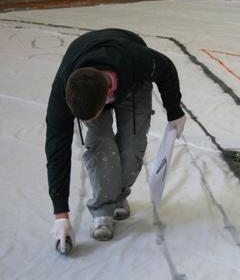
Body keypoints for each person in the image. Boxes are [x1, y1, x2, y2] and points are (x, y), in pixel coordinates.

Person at [46, 29, 186, 253]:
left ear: (105, 101)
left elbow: (166, 68)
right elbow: (56, 148)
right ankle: (103, 209)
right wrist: (60, 215)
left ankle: (119, 195)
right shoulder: (64, 89)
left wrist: (174, 110)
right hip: (86, 61)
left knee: (133, 143)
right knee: (100, 142)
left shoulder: (137, 60)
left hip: (130, 77)